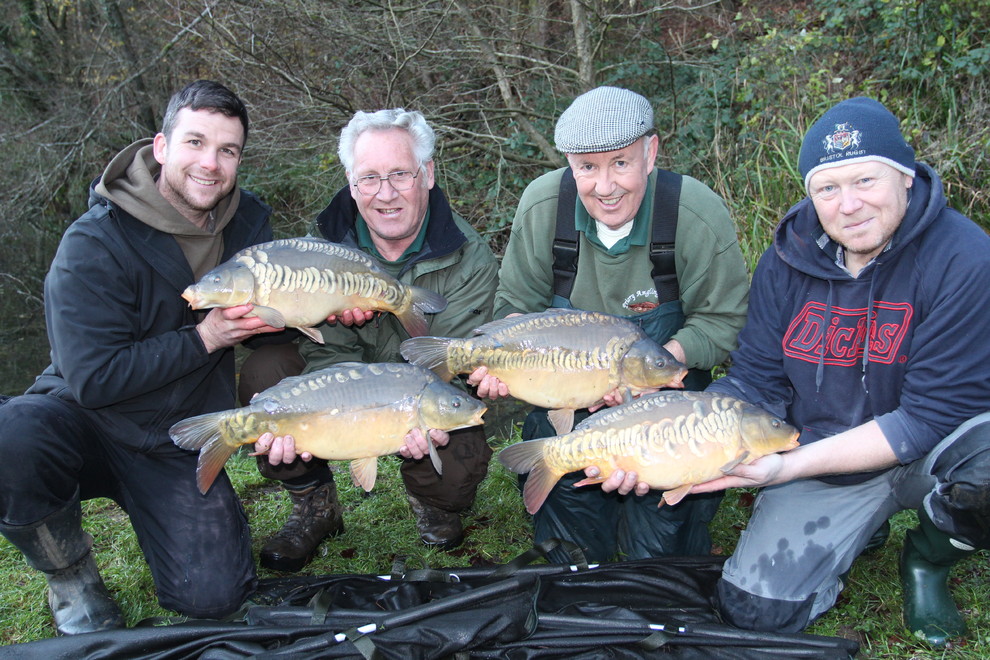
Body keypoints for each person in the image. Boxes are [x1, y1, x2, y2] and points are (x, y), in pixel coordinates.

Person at [597, 97, 990, 646]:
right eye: (827, 188)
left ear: (905, 175)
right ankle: (861, 524)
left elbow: (927, 418)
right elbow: (756, 380)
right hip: (823, 452)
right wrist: (663, 433)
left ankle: (928, 560)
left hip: (933, 449)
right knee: (757, 613)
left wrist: (786, 468)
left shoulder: (965, 258)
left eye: (865, 180)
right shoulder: (787, 257)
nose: (848, 204)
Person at [0, 80, 280, 635]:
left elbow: (268, 335)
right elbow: (93, 378)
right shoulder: (93, 241)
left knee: (216, 597)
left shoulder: (249, 224)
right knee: (14, 436)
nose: (210, 163)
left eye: (227, 150)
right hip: (85, 418)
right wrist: (206, 337)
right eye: (195, 142)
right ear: (161, 147)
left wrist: (321, 311)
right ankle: (69, 575)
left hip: (175, 435)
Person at [470, 86, 750, 564]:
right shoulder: (544, 206)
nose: (605, 186)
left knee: (659, 556)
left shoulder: (694, 212)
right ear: (569, 164)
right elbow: (516, 307)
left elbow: (723, 319)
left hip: (666, 392)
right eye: (587, 167)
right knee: (575, 555)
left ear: (650, 152)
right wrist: (504, 361)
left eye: (620, 163)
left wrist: (657, 371)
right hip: (566, 394)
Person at [238, 108, 499, 572]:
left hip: (420, 386)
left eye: (400, 174)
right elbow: (325, 352)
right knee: (266, 372)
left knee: (456, 436)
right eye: (370, 178)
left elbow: (451, 364)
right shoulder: (323, 246)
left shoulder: (468, 254)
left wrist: (404, 410)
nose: (385, 193)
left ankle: (433, 503)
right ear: (351, 182)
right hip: (345, 381)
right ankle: (314, 504)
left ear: (428, 174)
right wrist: (323, 413)